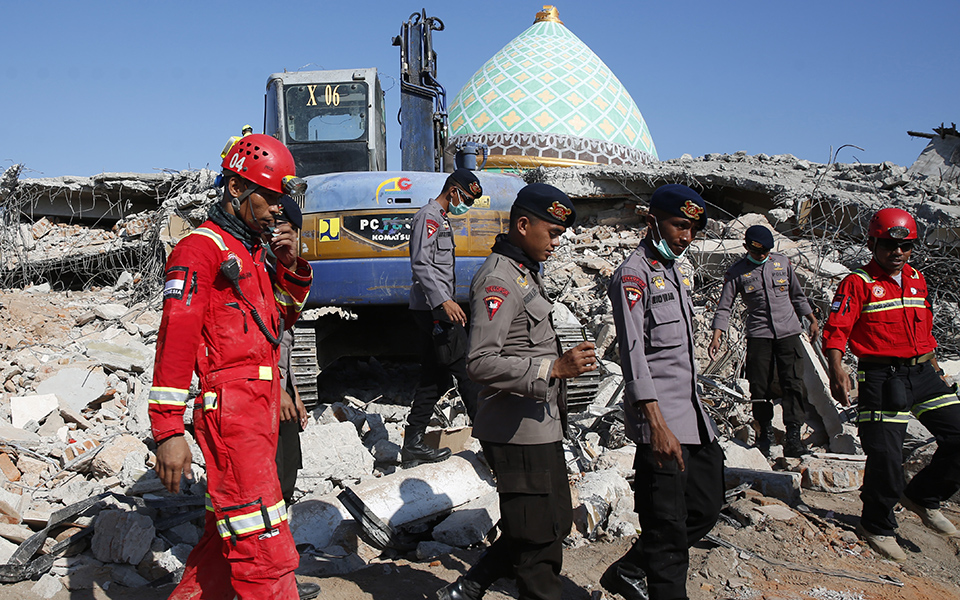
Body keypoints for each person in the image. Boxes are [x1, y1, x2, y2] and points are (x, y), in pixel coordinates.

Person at [149, 134, 313, 599]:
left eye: (282, 201)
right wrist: (167, 431)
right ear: (237, 189)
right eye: (269, 199)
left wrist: (289, 263)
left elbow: (278, 320)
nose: (276, 211)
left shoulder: (253, 252)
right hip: (232, 414)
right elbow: (175, 342)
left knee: (222, 549)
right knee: (265, 549)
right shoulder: (199, 250)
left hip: (259, 411)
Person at [436, 183, 597, 600]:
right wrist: (554, 368)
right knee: (536, 546)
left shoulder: (523, 273)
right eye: (553, 233)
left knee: (552, 522)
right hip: (514, 430)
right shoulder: (498, 280)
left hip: (540, 426)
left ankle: (470, 586)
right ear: (523, 225)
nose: (557, 243)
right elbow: (479, 362)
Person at [602, 184, 725, 600]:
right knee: (668, 530)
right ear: (652, 220)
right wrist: (656, 426)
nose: (686, 237)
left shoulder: (673, 270)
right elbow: (635, 356)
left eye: (693, 229)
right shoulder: (633, 275)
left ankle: (631, 569)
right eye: (679, 226)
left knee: (706, 507)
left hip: (693, 420)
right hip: (662, 425)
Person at [823, 207, 960, 561]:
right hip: (881, 376)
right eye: (888, 246)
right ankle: (877, 524)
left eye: (905, 247)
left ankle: (923, 497)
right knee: (886, 455)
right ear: (873, 243)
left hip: (923, 374)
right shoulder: (858, 282)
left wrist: (934, 366)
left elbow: (924, 328)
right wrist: (836, 369)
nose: (897, 253)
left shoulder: (917, 278)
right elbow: (837, 329)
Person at [708, 224, 819, 457]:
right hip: (759, 335)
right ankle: (764, 433)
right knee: (760, 385)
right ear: (747, 248)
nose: (762, 256)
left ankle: (793, 436)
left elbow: (797, 295)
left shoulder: (782, 264)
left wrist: (811, 319)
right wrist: (718, 334)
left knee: (793, 382)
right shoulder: (737, 271)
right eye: (758, 252)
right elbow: (724, 306)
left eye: (766, 252)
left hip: (788, 332)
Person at [403, 168, 485, 467]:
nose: (467, 205)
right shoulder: (429, 216)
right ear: (452, 191)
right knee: (466, 370)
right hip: (433, 309)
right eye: (465, 198)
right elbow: (421, 263)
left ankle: (412, 443)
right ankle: (491, 444)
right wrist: (445, 301)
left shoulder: (441, 219)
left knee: (434, 378)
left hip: (434, 307)